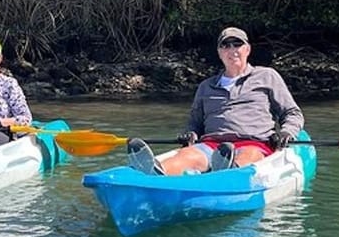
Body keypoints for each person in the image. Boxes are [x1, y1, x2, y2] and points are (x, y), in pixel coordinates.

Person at [127, 27, 304, 176]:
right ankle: (156, 173)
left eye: (237, 44)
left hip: (254, 142)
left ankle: (229, 172)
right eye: (226, 45)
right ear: (220, 52)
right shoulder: (206, 86)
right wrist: (190, 133)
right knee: (187, 155)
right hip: (212, 144)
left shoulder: (267, 76)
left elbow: (292, 113)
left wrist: (286, 132)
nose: (232, 49)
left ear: (247, 49)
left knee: (249, 155)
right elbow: (195, 124)